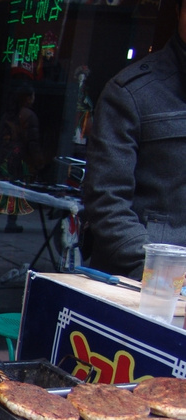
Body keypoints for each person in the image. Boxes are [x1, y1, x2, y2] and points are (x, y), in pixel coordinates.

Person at [83, 0, 186, 279]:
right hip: (142, 284)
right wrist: (163, 276)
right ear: (178, 11)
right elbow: (106, 201)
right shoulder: (130, 93)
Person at [0, 83, 44, 233]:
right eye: (32, 96)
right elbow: (32, 141)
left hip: (6, 154)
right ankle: (11, 221)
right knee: (17, 189)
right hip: (20, 156)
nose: (33, 99)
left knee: (6, 186)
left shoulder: (8, 114)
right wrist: (38, 160)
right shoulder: (29, 116)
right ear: (27, 98)